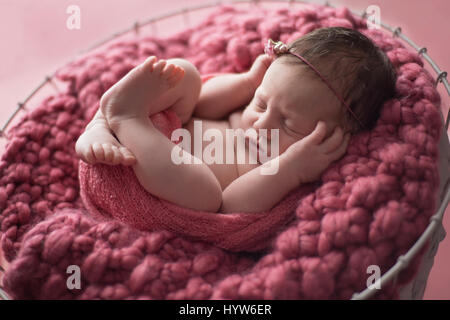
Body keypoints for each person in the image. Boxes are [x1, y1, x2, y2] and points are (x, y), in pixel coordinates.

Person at [75, 27, 397, 213]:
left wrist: (292, 169)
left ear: (329, 139)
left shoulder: (279, 168)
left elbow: (229, 209)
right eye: (260, 102)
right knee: (186, 76)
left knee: (207, 196)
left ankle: (124, 118)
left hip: (146, 173)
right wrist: (246, 83)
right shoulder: (254, 104)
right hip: (145, 134)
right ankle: (103, 124)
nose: (260, 124)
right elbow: (200, 106)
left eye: (287, 124)